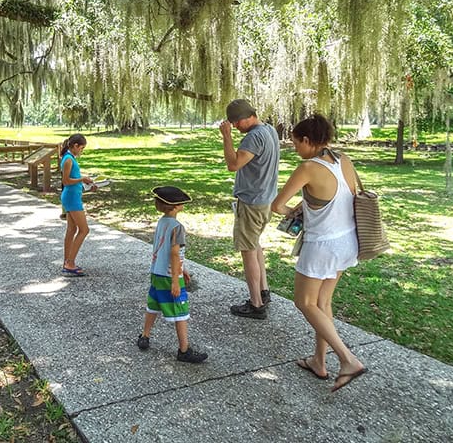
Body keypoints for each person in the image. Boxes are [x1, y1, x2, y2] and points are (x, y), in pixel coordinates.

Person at [271, 114, 367, 392]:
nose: (294, 148)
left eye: (295, 142)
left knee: (304, 302)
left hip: (321, 245)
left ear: (306, 140)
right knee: (323, 303)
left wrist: (294, 211)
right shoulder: (344, 160)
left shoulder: (308, 167)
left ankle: (348, 360)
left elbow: (277, 205)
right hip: (347, 241)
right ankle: (319, 362)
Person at [220, 99, 280, 319]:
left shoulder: (253, 137)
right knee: (255, 246)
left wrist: (226, 138)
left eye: (236, 123)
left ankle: (256, 304)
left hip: (252, 202)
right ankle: (263, 291)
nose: (235, 127)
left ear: (247, 117)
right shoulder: (269, 130)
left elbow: (233, 164)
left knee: (247, 251)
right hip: (266, 200)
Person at [137, 186, 208, 363]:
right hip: (169, 276)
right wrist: (176, 279)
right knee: (180, 310)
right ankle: (184, 350)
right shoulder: (177, 227)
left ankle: (145, 336)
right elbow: (175, 253)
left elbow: (163, 249)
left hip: (156, 273)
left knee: (153, 304)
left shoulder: (162, 222)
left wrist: (182, 269)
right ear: (175, 206)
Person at [59, 134, 95, 276]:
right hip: (71, 198)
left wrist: (88, 185)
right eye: (81, 148)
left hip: (73, 196)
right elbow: (66, 181)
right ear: (75, 146)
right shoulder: (68, 159)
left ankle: (67, 261)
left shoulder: (70, 158)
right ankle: (70, 263)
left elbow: (73, 181)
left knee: (71, 230)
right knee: (84, 229)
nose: (82, 151)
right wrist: (83, 178)